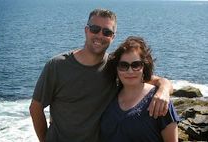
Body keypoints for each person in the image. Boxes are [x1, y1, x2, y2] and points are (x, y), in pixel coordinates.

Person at [29, 9, 173, 142]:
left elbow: (147, 78)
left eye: (107, 32)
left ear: (113, 37)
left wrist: (164, 88)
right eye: (95, 29)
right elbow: (35, 108)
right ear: (86, 30)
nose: (100, 35)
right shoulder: (57, 65)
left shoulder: (114, 66)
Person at [101, 36, 180, 142]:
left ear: (144, 67)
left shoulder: (159, 101)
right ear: (116, 68)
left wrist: (164, 87)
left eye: (136, 65)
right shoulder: (110, 95)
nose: (130, 71)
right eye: (123, 65)